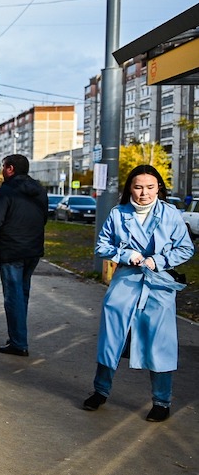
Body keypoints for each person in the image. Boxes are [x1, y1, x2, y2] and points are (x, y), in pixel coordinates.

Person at [83, 165, 194, 422]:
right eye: (138, 187)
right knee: (111, 338)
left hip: (159, 284)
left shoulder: (170, 214)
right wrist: (125, 254)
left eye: (150, 187)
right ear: (129, 188)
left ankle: (162, 402)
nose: (144, 193)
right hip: (126, 282)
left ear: (159, 188)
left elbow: (186, 248)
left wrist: (158, 260)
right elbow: (102, 246)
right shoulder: (118, 213)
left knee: (161, 343)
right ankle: (100, 391)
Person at [0, 154, 48, 357]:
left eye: (3, 167)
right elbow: (43, 218)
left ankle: (18, 342)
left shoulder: (7, 191)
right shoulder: (39, 190)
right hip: (33, 250)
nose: (2, 170)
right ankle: (18, 335)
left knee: (13, 297)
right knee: (22, 294)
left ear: (10, 169)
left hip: (11, 250)